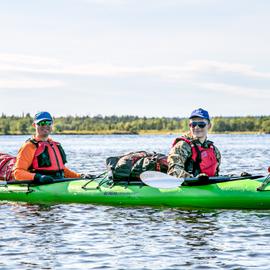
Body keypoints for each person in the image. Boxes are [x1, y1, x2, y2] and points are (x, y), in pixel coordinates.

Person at [13, 111, 91, 183]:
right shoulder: (29, 146)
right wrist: (38, 177)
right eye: (42, 123)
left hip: (59, 182)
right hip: (40, 184)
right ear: (34, 125)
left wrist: (80, 176)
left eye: (48, 122)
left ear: (52, 124)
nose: (45, 125)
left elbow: (62, 169)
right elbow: (18, 173)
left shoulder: (55, 145)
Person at [167, 108, 221, 179]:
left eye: (201, 124)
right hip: (187, 186)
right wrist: (194, 180)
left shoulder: (214, 150)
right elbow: (173, 171)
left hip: (208, 185)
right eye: (193, 124)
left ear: (209, 126)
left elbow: (216, 174)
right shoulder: (182, 146)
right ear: (190, 126)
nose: (197, 127)